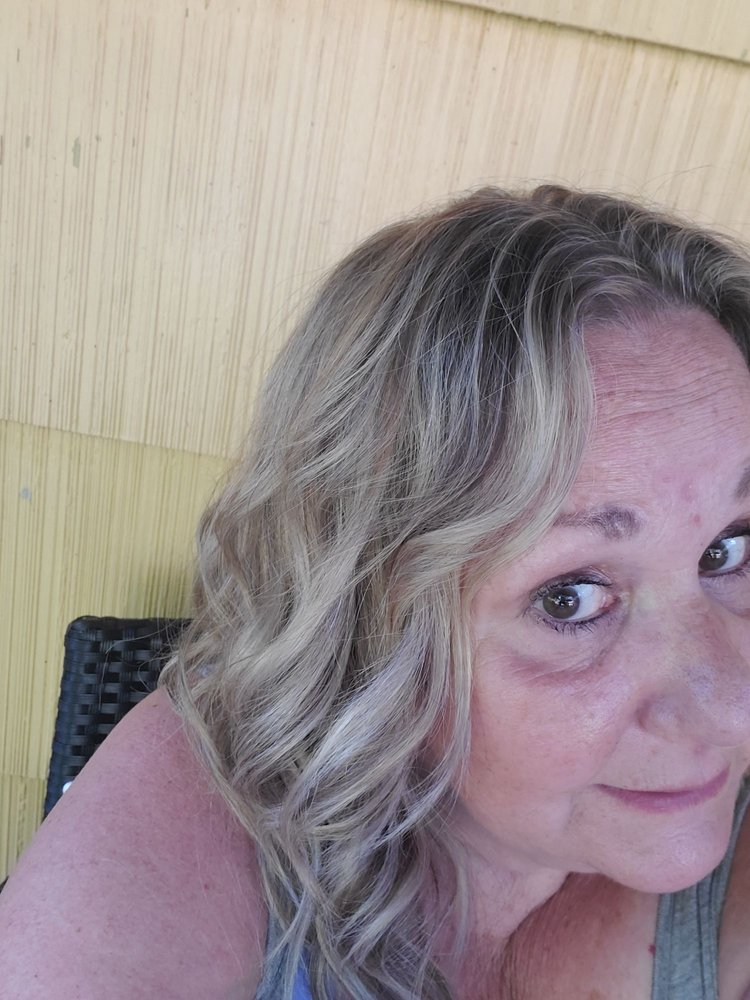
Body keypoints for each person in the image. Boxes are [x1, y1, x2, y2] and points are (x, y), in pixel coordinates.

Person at [2, 185, 750, 1000]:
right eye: (570, 597)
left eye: (730, 549)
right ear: (368, 619)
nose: (733, 707)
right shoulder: (203, 820)